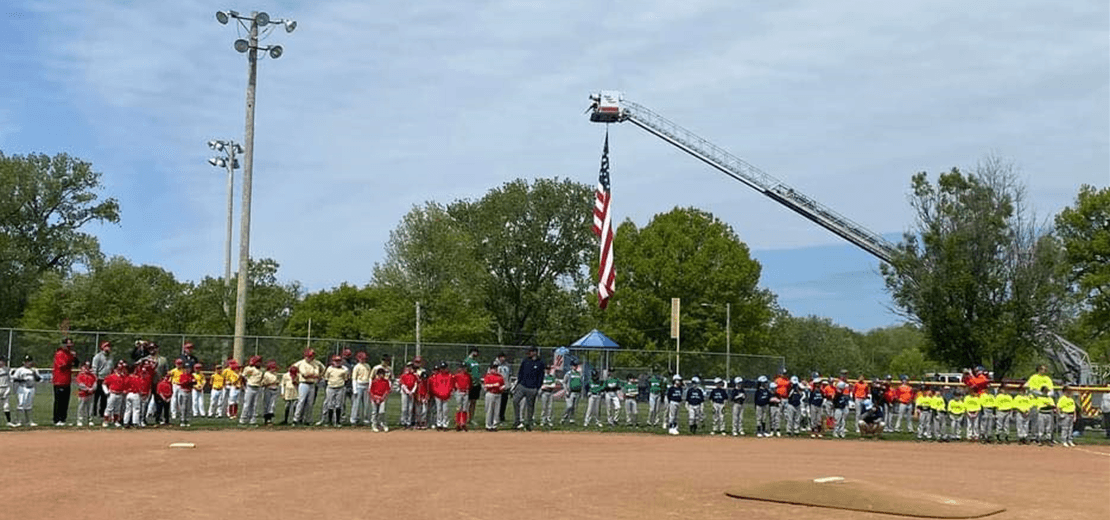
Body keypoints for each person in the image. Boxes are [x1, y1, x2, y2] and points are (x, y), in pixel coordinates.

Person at [513, 346, 545, 431]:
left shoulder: (540, 363)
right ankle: (517, 421)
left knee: (530, 406)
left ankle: (529, 423)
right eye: (530, 352)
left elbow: (541, 376)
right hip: (522, 385)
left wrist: (537, 387)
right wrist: (519, 383)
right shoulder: (526, 361)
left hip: (532, 387)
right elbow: (520, 372)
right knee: (515, 400)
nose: (530, 353)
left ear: (535, 352)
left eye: (532, 351)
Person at [292, 350, 323, 425]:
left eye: (312, 356)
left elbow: (322, 370)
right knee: (301, 401)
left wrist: (319, 376)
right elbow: (304, 374)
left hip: (312, 384)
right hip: (303, 384)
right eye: (309, 356)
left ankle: (308, 420)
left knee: (310, 403)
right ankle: (296, 419)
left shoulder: (316, 363)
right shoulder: (301, 363)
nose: (310, 358)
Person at [51, 338, 79, 426]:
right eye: (68, 345)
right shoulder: (60, 354)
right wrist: (71, 359)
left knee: (66, 401)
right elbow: (62, 365)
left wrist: (74, 357)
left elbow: (76, 364)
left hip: (67, 380)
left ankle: (63, 419)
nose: (69, 347)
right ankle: (57, 419)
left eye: (70, 345)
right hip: (59, 380)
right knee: (59, 401)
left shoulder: (69, 354)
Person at [12, 355, 42, 427]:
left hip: (31, 388)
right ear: (24, 362)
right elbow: (15, 379)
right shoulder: (20, 370)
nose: (28, 363)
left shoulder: (34, 370)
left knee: (29, 405)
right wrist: (23, 380)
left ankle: (29, 421)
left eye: (29, 361)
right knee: (21, 403)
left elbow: (39, 379)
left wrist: (34, 374)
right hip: (22, 388)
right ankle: (19, 421)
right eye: (26, 362)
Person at [322, 355, 349, 427]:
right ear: (332, 362)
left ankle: (337, 421)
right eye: (336, 361)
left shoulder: (344, 369)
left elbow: (346, 379)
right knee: (330, 404)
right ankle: (329, 421)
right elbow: (326, 378)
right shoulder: (329, 369)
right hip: (331, 387)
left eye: (339, 361)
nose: (337, 362)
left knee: (338, 405)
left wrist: (341, 384)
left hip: (340, 388)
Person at [240, 355, 264, 425]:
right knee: (247, 404)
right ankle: (243, 419)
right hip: (250, 387)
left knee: (254, 405)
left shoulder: (261, 370)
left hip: (257, 387)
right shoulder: (250, 369)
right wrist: (244, 385)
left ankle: (252, 419)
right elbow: (243, 377)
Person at [91, 341, 113, 417]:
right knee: (95, 398)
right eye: (106, 346)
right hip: (99, 379)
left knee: (104, 397)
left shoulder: (110, 357)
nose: (108, 348)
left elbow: (111, 368)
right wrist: (95, 379)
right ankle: (93, 413)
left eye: (109, 346)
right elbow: (94, 368)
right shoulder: (98, 357)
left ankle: (102, 413)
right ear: (102, 348)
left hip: (107, 380)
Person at [102, 361, 128, 428]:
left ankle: (116, 421)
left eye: (121, 370)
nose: (119, 371)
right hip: (113, 393)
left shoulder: (123, 377)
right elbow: (104, 384)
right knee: (109, 408)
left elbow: (125, 385)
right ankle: (105, 421)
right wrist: (106, 392)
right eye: (118, 369)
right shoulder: (111, 376)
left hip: (120, 394)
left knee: (117, 409)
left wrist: (124, 391)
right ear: (115, 369)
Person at [350, 352, 372, 426]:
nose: (363, 360)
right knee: (356, 403)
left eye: (364, 358)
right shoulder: (357, 367)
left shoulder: (367, 366)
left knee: (366, 403)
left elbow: (370, 377)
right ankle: (354, 419)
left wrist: (369, 387)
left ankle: (366, 419)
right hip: (359, 385)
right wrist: (355, 389)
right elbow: (354, 378)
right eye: (361, 358)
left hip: (366, 385)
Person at [430, 362, 453, 430]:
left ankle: (445, 424)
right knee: (439, 410)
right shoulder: (437, 376)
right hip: (438, 395)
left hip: (446, 395)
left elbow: (451, 386)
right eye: (442, 368)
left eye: (444, 368)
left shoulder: (449, 376)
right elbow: (434, 386)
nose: (443, 369)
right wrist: (438, 393)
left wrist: (448, 393)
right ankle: (439, 423)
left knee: (445, 410)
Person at [482, 364, 505, 431]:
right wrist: (495, 385)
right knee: (490, 410)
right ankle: (488, 425)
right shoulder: (488, 376)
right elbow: (486, 386)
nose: (494, 370)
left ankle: (494, 425)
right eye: (493, 368)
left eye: (495, 368)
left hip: (498, 394)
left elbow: (502, 385)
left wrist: (501, 388)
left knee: (496, 411)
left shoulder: (500, 376)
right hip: (490, 394)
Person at [561, 361, 584, 425]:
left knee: (574, 406)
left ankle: (571, 418)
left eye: (576, 365)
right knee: (569, 406)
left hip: (577, 392)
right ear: (571, 366)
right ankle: (564, 417)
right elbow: (564, 382)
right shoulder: (568, 374)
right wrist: (566, 390)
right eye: (573, 365)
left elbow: (581, 381)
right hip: (570, 392)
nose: (575, 367)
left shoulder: (578, 373)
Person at [463, 348, 483, 424]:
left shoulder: (476, 361)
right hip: (470, 384)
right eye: (476, 352)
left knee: (473, 402)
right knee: (466, 403)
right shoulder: (467, 361)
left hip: (476, 384)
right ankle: (464, 418)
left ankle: (471, 418)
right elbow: (465, 371)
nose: (477, 354)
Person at [75, 361, 97, 427]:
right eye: (85, 367)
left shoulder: (92, 376)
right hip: (82, 393)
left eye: (88, 367)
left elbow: (95, 383)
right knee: (81, 408)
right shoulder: (80, 375)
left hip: (91, 394)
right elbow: (80, 384)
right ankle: (80, 420)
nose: (87, 368)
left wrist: (92, 389)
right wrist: (87, 389)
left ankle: (90, 420)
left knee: (90, 408)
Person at [369, 368, 391, 432]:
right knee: (374, 412)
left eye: (382, 374)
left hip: (382, 398)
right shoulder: (374, 381)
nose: (381, 375)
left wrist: (382, 398)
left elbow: (387, 391)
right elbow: (371, 391)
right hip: (374, 399)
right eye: (380, 374)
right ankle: (374, 425)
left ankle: (383, 424)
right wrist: (375, 398)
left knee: (382, 412)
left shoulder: (386, 381)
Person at [124, 362, 145, 428]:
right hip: (135, 394)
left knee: (128, 409)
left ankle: (125, 422)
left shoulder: (127, 377)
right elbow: (140, 387)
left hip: (128, 394)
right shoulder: (137, 378)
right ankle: (135, 423)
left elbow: (124, 385)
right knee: (136, 409)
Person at [452, 363, 472, 428]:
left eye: (464, 368)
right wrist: (458, 389)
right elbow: (454, 383)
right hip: (458, 392)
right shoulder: (456, 375)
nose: (463, 369)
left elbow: (469, 384)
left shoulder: (468, 376)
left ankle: (463, 423)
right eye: (461, 368)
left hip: (466, 392)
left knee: (465, 409)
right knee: (459, 408)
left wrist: (467, 389)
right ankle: (458, 423)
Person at [398, 363, 417, 428]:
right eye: (408, 367)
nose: (410, 369)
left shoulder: (414, 376)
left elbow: (415, 384)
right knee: (404, 408)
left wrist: (412, 392)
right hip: (404, 392)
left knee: (410, 408)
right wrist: (408, 391)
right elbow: (402, 384)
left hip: (412, 393)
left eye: (411, 367)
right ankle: (403, 421)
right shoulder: (403, 375)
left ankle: (409, 422)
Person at [261, 361, 280, 426]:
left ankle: (270, 419)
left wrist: (276, 382)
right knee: (267, 404)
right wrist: (270, 382)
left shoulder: (275, 374)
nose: (274, 369)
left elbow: (277, 381)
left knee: (272, 405)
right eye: (272, 368)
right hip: (268, 389)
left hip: (274, 389)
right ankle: (266, 419)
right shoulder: (266, 374)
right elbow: (263, 383)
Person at [495, 353, 512, 423]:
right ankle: (496, 417)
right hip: (498, 386)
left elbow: (509, 375)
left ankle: (502, 417)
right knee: (497, 403)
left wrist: (509, 385)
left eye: (504, 357)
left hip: (506, 386)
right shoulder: (495, 364)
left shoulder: (507, 365)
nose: (503, 359)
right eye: (501, 357)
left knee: (504, 403)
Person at [0, 356, 11, 426]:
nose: (3, 362)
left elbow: (10, 380)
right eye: (2, 361)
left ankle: (9, 421)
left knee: (6, 406)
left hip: (5, 387)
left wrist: (8, 389)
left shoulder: (7, 369)